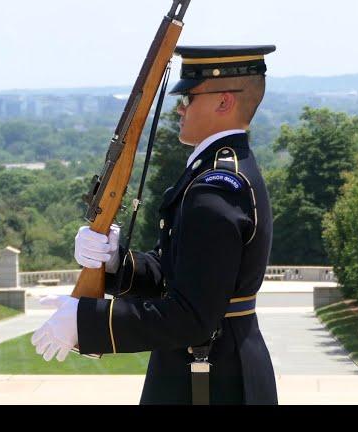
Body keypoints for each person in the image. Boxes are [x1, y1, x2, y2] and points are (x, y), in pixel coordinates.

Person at [31, 45, 278, 405]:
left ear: (223, 102)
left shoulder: (214, 189)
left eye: (189, 97)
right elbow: (176, 274)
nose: (180, 108)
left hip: (209, 383)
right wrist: (117, 262)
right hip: (209, 371)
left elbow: (192, 317)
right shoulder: (217, 173)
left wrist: (87, 321)